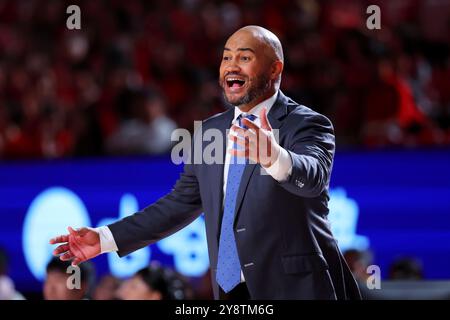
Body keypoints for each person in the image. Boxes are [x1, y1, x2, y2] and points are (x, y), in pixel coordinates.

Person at [50, 25, 361, 300]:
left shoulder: (306, 123)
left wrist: (274, 156)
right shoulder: (210, 131)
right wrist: (105, 238)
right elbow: (179, 204)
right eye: (226, 57)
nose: (230, 66)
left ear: (274, 69)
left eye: (244, 57)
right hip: (230, 293)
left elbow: (314, 177)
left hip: (297, 289)